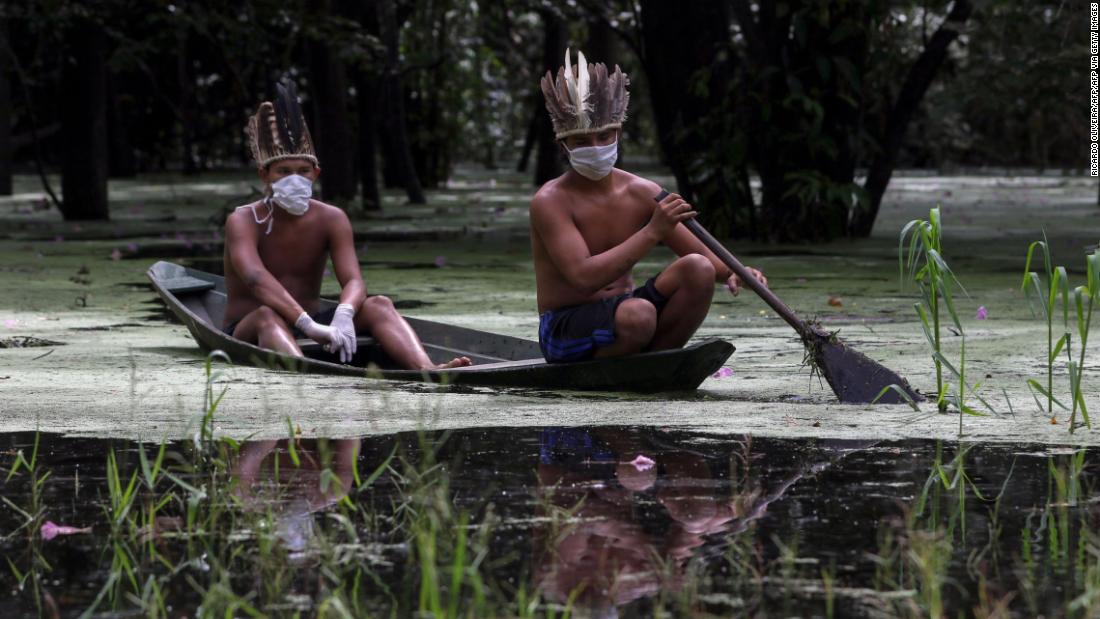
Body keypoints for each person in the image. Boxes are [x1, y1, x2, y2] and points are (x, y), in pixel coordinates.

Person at [531, 49, 768, 363]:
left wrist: (737, 271)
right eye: (582, 142)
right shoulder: (550, 201)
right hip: (566, 327)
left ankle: (654, 360)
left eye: (604, 136)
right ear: (564, 145)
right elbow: (583, 278)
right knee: (638, 315)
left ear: (618, 133)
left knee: (698, 268)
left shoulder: (642, 191)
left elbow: (701, 253)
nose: (596, 148)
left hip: (625, 312)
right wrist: (653, 231)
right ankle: (618, 368)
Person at [223, 78, 470, 370]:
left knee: (379, 304)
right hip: (253, 326)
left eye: (303, 171)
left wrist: (344, 311)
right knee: (267, 314)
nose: (295, 178)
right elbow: (255, 278)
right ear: (265, 175)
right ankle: (308, 375)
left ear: (315, 173)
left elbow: (353, 280)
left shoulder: (331, 217)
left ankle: (427, 370)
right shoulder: (243, 219)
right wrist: (307, 324)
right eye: (284, 171)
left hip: (313, 324)